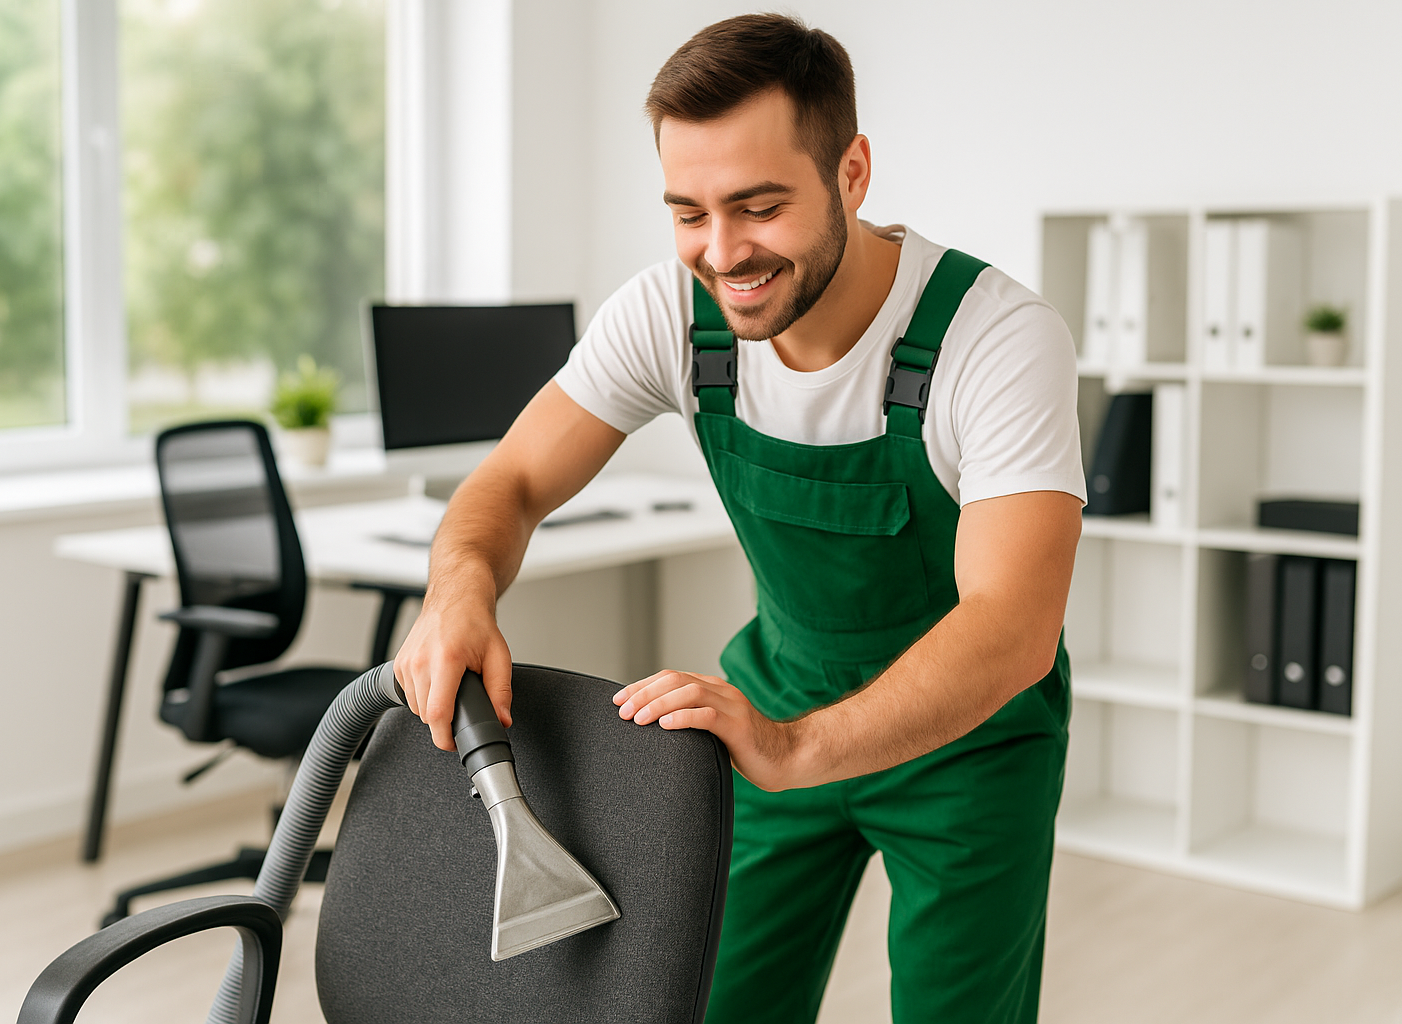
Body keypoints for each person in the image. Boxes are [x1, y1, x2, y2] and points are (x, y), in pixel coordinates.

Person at [393, 13, 1085, 1023]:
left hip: (968, 744)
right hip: (776, 702)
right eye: (689, 212)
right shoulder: (672, 314)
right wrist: (456, 589)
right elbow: (513, 483)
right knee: (709, 1005)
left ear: (852, 172)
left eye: (760, 207)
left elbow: (1013, 626)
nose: (722, 253)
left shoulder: (995, 339)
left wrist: (799, 748)